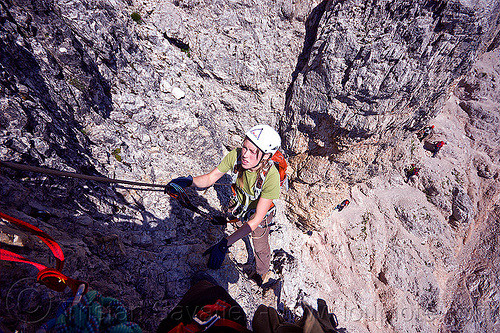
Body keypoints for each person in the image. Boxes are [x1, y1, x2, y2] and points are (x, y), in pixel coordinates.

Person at [167, 125, 282, 285]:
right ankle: (239, 224)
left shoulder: (271, 177)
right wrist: (189, 181)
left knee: (260, 243)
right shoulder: (235, 156)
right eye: (244, 147)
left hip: (259, 212)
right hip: (240, 204)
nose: (245, 155)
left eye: (252, 151)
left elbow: (255, 221)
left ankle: (261, 273)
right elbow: (209, 178)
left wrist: (224, 244)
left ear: (266, 156)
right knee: (239, 219)